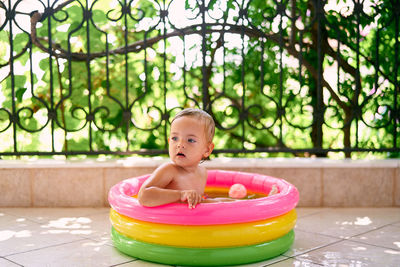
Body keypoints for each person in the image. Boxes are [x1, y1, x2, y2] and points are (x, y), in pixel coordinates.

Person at [138, 108, 215, 209]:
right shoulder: (169, 170)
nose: (180, 145)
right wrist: (180, 195)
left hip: (189, 222)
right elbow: (144, 196)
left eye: (190, 140)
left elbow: (199, 202)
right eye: (175, 138)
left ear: (207, 149)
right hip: (167, 223)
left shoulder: (202, 172)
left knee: (218, 202)